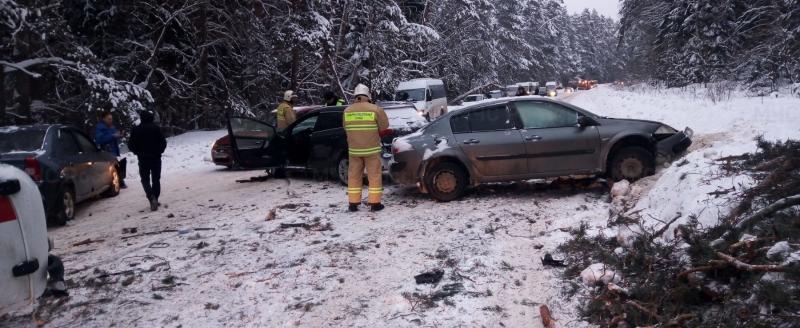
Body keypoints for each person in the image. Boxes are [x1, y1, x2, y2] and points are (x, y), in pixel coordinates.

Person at [343, 84, 390, 212]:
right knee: (374, 176)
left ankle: (353, 203)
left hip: (354, 151)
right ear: (368, 96)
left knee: (353, 176)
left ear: (355, 96)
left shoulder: (347, 111)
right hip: (372, 150)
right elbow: (384, 126)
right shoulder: (375, 109)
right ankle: (374, 204)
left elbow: (346, 128)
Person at [128, 110, 167, 211]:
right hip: (156, 158)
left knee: (144, 179)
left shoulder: (136, 130)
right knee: (156, 179)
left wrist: (137, 152)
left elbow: (131, 145)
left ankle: (151, 197)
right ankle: (155, 198)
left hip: (143, 159)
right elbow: (163, 142)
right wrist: (160, 151)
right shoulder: (156, 128)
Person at [95, 111, 127, 188]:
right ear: (103, 118)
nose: (111, 120)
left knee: (117, 166)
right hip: (106, 152)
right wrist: (113, 136)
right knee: (109, 169)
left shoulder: (112, 127)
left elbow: (115, 136)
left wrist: (120, 135)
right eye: (109, 119)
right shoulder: (100, 128)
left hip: (113, 151)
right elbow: (99, 140)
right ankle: (111, 184)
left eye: (111, 119)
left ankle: (119, 181)